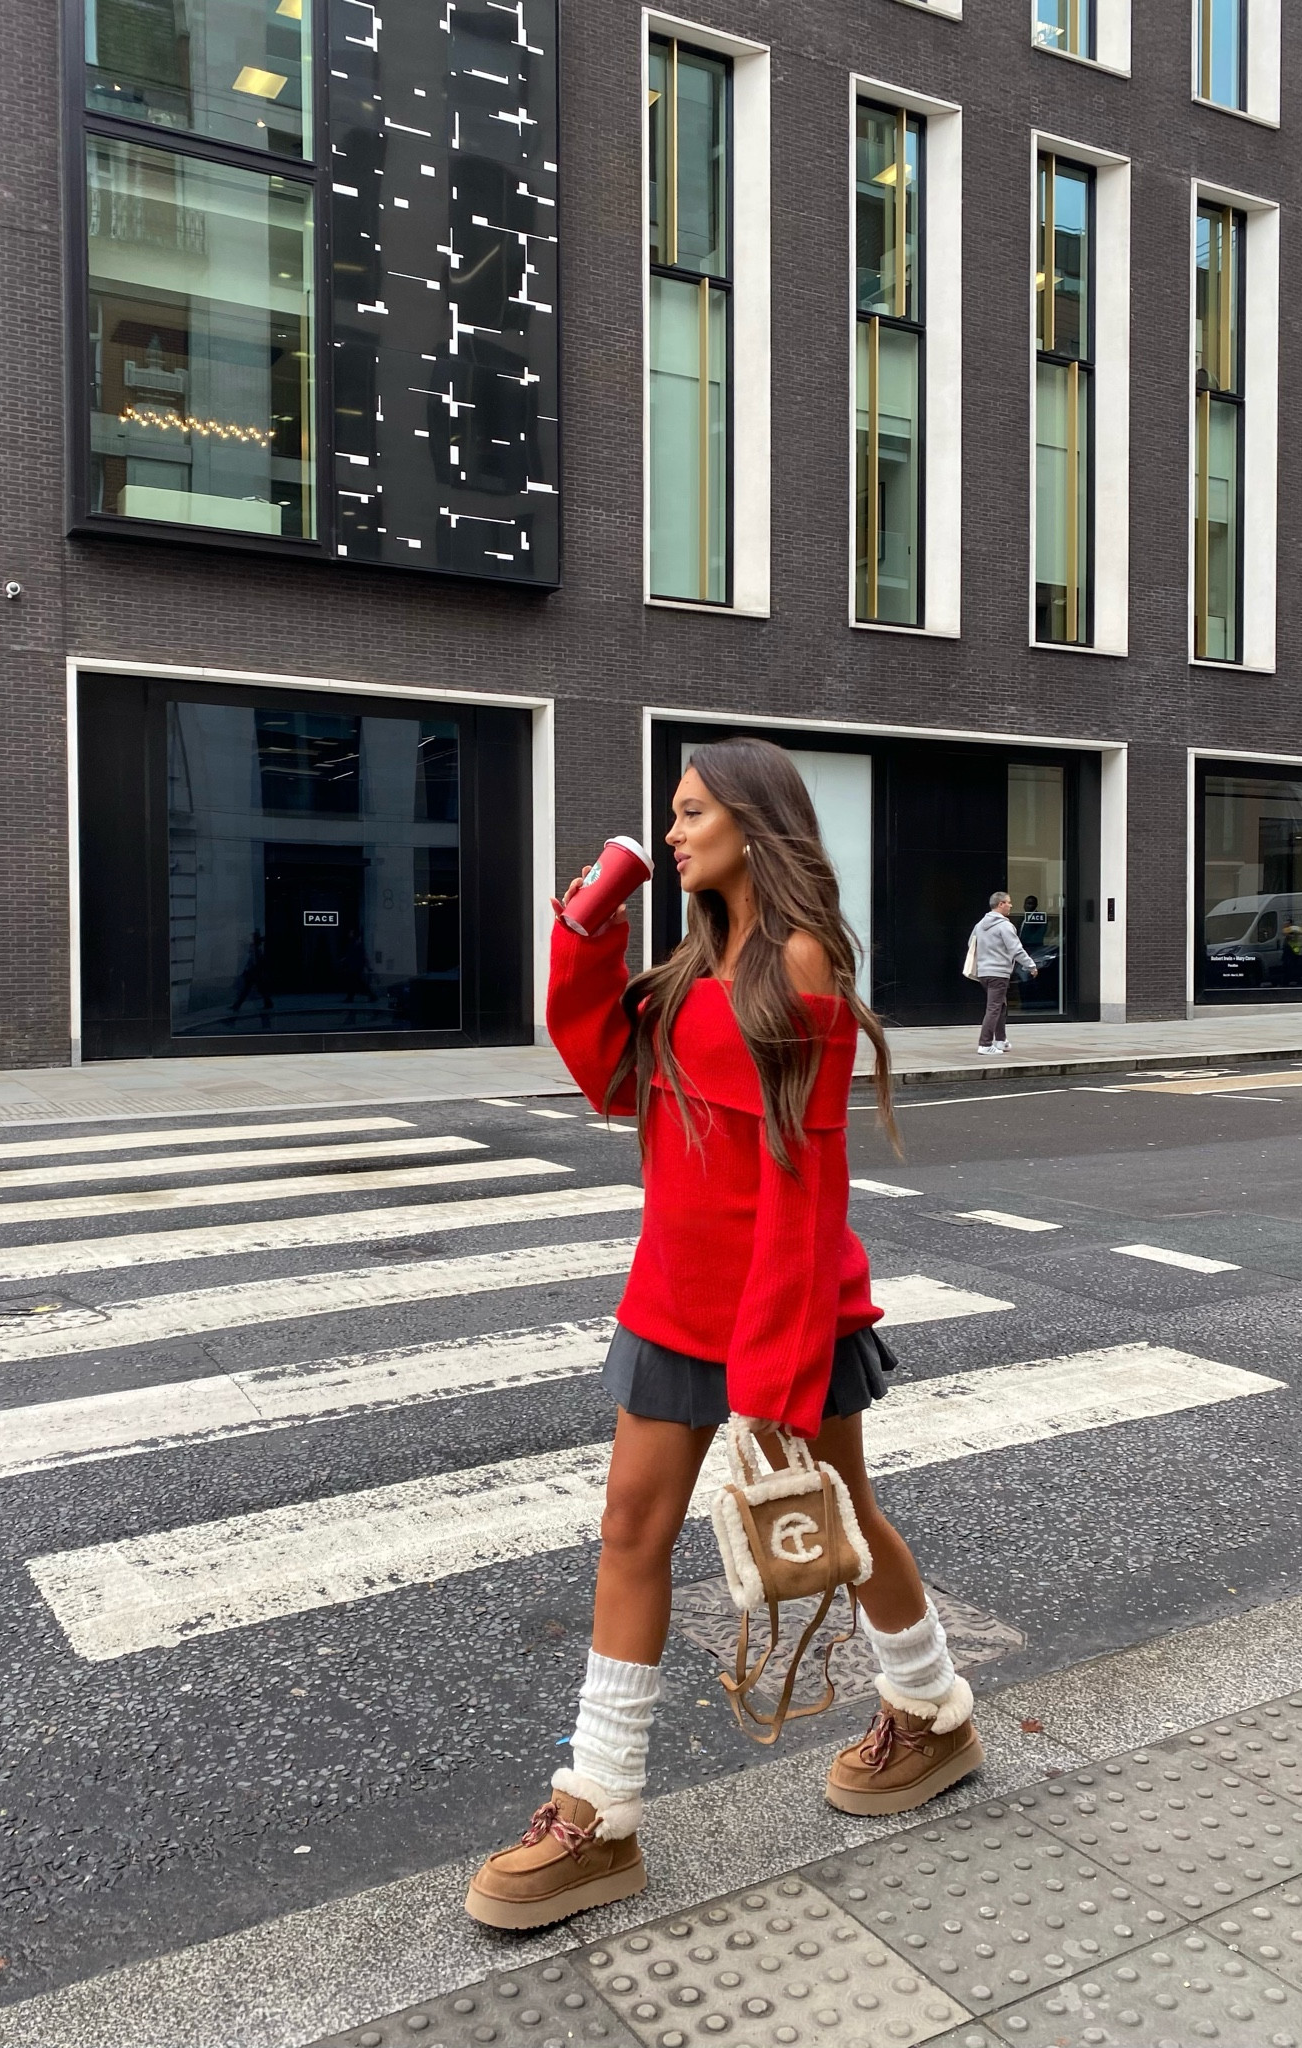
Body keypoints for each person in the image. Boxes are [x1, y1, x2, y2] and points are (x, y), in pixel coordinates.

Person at [465, 736, 982, 1933]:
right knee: (630, 1527)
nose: (674, 830)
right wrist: (587, 926)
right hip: (673, 1297)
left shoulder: (799, 962)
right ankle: (598, 1809)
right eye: (673, 812)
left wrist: (773, 1378)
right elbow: (608, 1077)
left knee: (843, 1519)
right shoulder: (694, 963)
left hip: (779, 1305)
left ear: (754, 821)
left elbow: (807, 1187)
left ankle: (932, 1708)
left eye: (692, 811)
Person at [968, 890, 1036, 1054]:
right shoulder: (1005, 926)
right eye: (1008, 902)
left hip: (984, 972)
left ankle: (1001, 1040)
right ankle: (985, 1044)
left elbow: (971, 944)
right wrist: (1031, 965)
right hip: (998, 972)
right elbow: (1016, 949)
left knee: (1000, 1006)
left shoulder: (980, 925)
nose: (1011, 905)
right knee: (994, 1007)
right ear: (1001, 904)